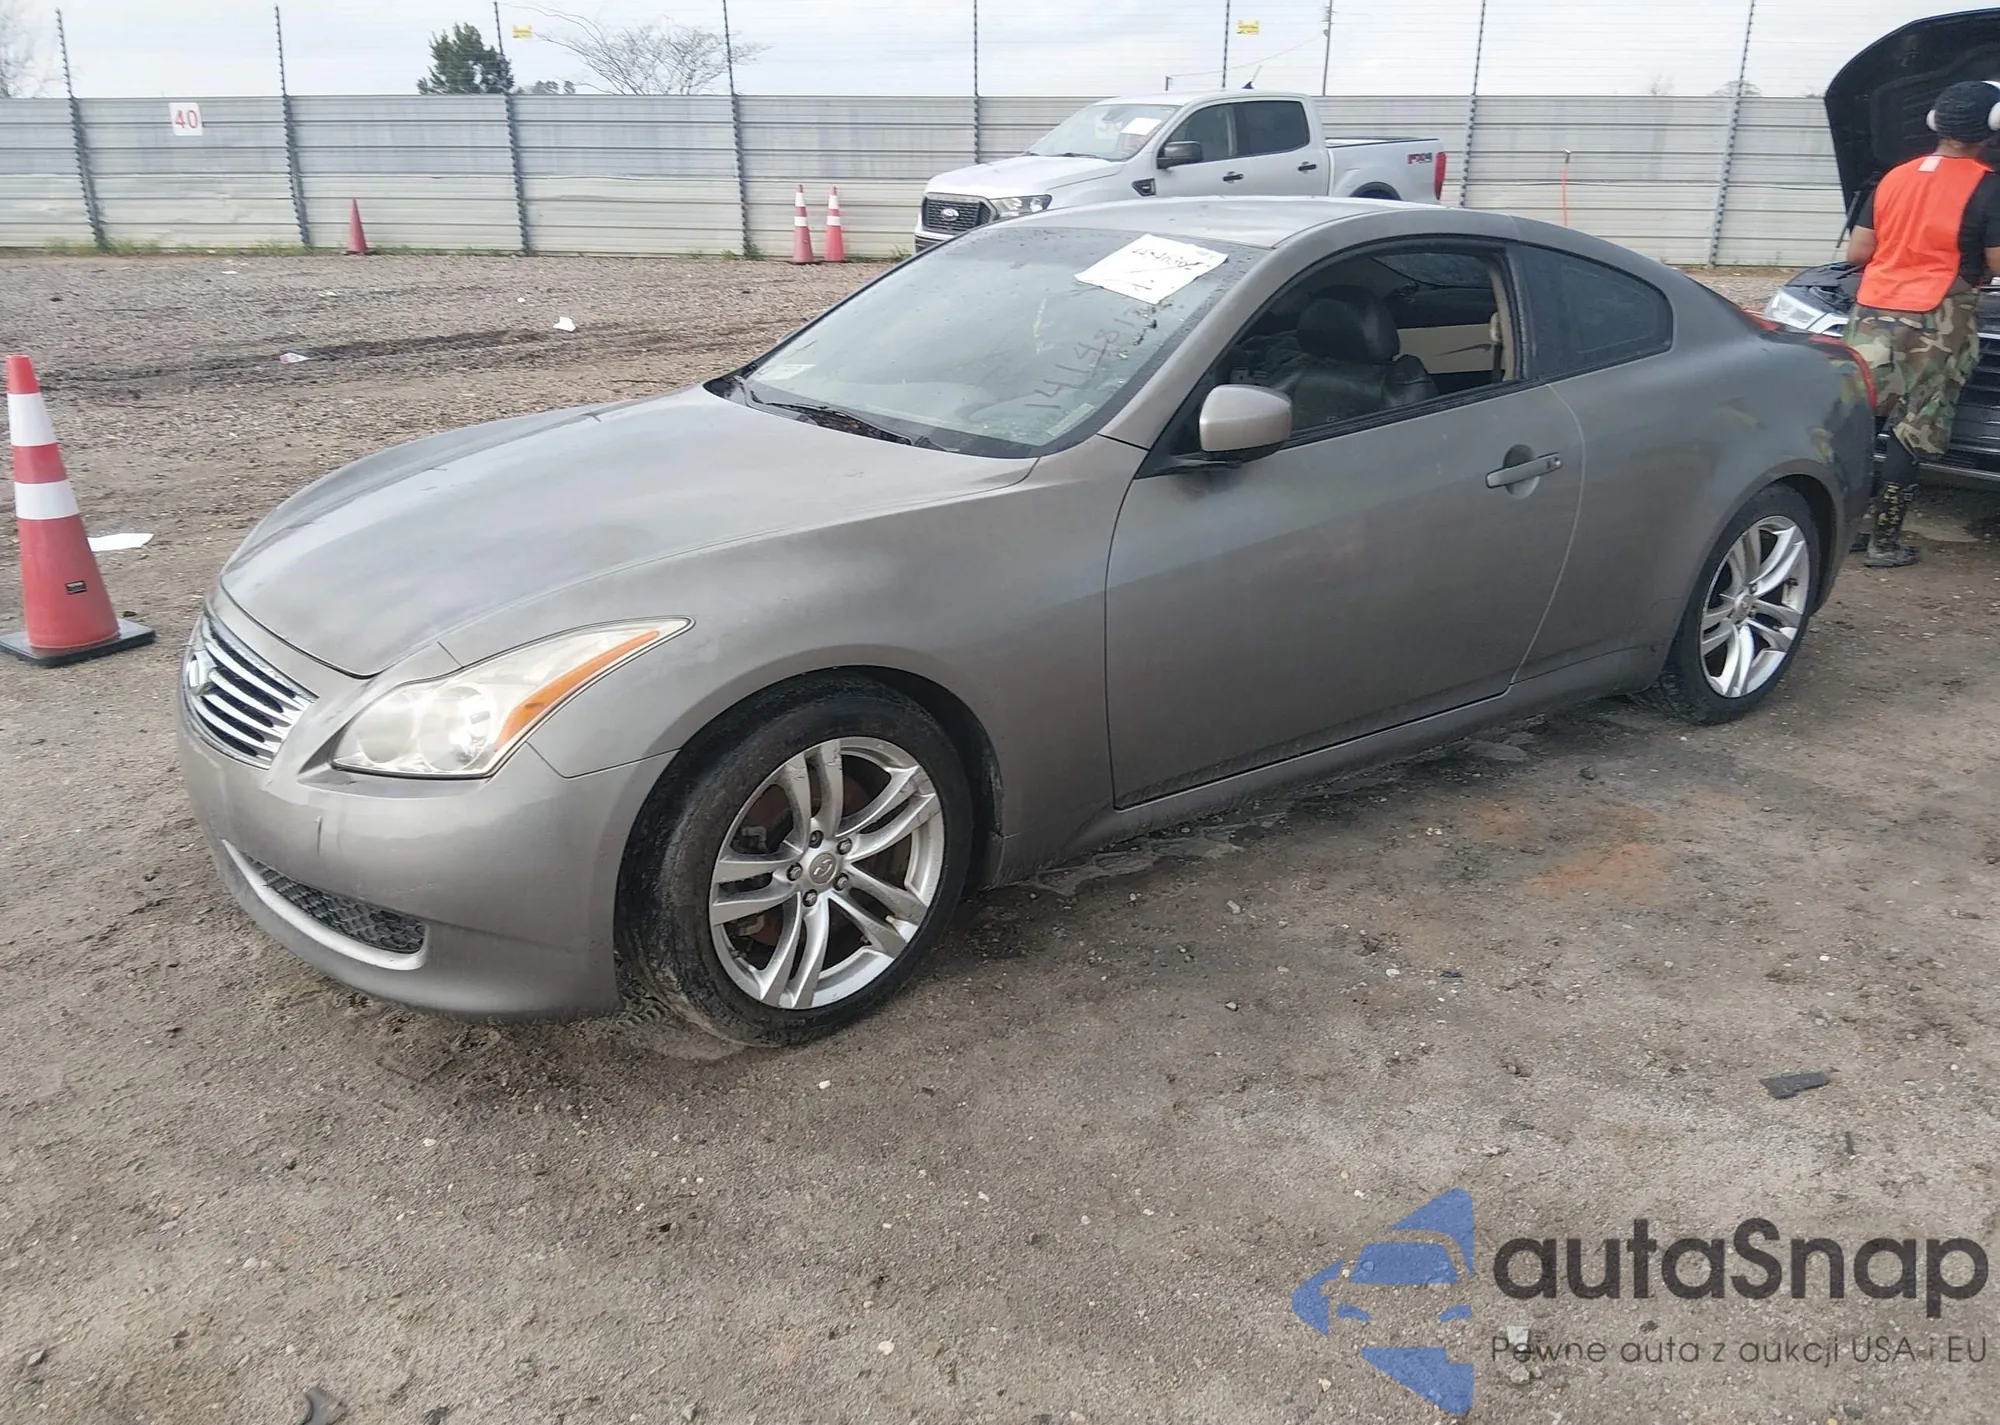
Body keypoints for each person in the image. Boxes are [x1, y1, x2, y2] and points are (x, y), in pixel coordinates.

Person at [1842, 80, 2000, 567]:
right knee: (1914, 427)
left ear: (1936, 123)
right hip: (1939, 317)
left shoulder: (1894, 176)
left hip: (1871, 311)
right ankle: (1885, 542)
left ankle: (1843, 530)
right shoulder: (1989, 186)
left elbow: (1858, 253)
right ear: (1992, 127)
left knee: (1862, 419)